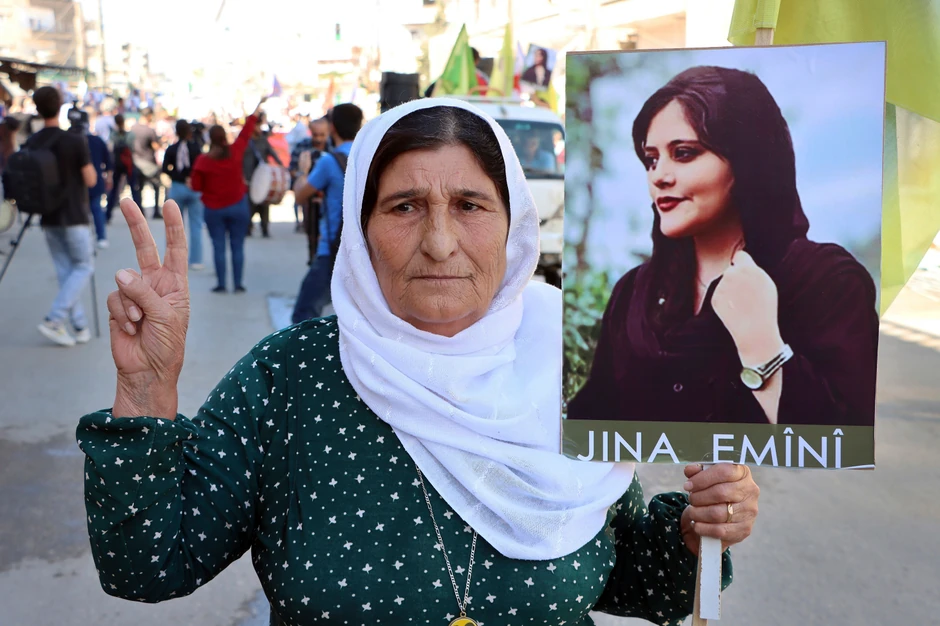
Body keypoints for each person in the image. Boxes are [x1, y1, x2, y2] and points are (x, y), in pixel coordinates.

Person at [78, 98, 760, 626]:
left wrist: (700, 530)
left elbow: (631, 576)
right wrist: (145, 388)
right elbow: (146, 567)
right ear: (363, 226)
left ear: (514, 224)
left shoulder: (577, 363)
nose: (439, 243)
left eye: (470, 206)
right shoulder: (289, 378)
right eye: (405, 207)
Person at [567, 66, 880, 426]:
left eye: (683, 153)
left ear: (748, 160)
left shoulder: (827, 282)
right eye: (651, 159)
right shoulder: (633, 295)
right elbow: (591, 427)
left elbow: (843, 439)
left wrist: (762, 344)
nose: (659, 175)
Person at [29, 86, 98, 346]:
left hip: (48, 216)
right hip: (74, 215)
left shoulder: (33, 141)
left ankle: (79, 326)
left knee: (66, 271)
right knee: (83, 266)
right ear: (60, 106)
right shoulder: (73, 140)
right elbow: (90, 179)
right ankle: (54, 319)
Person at [291, 103, 363, 322]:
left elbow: (300, 195)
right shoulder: (370, 157)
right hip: (365, 248)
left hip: (333, 249)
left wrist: (303, 171)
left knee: (303, 314)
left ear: (333, 127)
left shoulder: (329, 162)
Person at [189, 99, 266, 293]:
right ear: (224, 136)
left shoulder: (203, 161)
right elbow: (247, 129)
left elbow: (197, 186)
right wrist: (258, 106)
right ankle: (238, 284)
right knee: (237, 246)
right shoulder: (236, 150)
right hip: (238, 205)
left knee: (218, 247)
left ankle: (222, 284)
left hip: (214, 208)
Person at [163, 119, 205, 270]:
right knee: (196, 225)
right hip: (193, 188)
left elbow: (165, 168)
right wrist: (191, 178)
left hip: (178, 187)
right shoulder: (196, 148)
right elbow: (201, 167)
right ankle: (196, 260)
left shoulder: (172, 149)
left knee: (174, 225)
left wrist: (178, 177)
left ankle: (174, 260)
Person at [70, 107, 113, 249]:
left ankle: (89, 238)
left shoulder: (72, 140)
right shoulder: (96, 140)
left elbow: (107, 161)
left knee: (87, 209)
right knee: (95, 209)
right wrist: (109, 177)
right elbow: (108, 161)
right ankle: (100, 237)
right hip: (91, 181)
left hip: (78, 182)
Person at [289, 116, 329, 259]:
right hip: (310, 199)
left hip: (329, 201)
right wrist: (303, 174)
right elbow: (292, 169)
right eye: (315, 135)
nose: (318, 139)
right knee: (312, 235)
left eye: (322, 135)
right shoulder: (303, 146)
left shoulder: (333, 147)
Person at [243, 112, 285, 238]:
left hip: (263, 178)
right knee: (250, 204)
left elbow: (272, 153)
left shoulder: (263, 140)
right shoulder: (244, 141)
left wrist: (280, 165)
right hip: (249, 178)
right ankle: (248, 228)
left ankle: (265, 228)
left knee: (264, 204)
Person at [130, 107, 164, 219]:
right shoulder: (149, 130)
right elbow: (155, 146)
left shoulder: (133, 129)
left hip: (136, 161)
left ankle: (140, 211)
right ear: (149, 116)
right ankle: (155, 211)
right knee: (156, 186)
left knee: (138, 188)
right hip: (148, 162)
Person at [106, 114, 134, 223]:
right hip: (127, 163)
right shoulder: (129, 135)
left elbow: (110, 148)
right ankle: (140, 212)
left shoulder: (113, 135)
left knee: (114, 190)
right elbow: (132, 147)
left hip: (118, 163)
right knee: (133, 188)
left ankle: (108, 214)